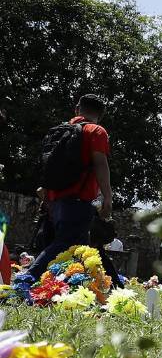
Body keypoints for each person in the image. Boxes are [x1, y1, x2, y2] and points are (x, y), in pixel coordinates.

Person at [26, 94, 113, 280]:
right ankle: (24, 281)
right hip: (78, 199)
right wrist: (107, 196)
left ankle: (90, 286)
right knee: (65, 245)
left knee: (80, 250)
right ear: (101, 115)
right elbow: (100, 163)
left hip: (53, 200)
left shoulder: (58, 131)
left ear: (76, 109)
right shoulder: (96, 131)